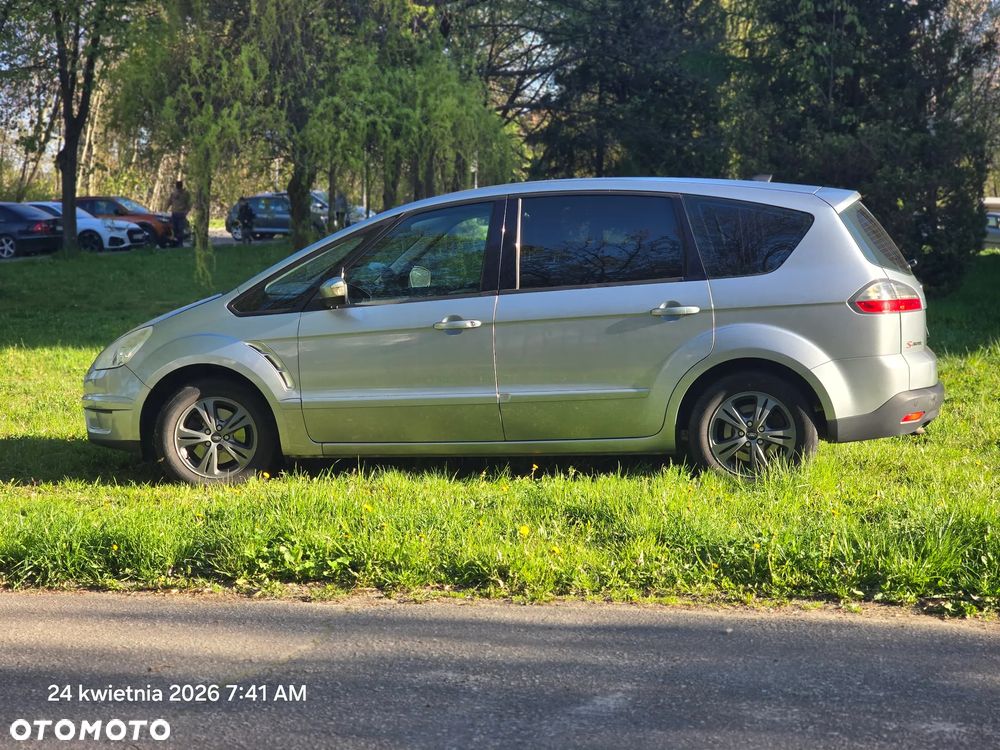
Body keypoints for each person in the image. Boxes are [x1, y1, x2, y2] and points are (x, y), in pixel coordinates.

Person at [166, 180, 191, 247]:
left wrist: (186, 211)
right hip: (174, 213)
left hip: (181, 214)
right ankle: (175, 242)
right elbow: (169, 202)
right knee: (174, 228)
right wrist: (165, 209)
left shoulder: (185, 194)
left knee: (180, 228)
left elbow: (189, 204)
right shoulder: (173, 193)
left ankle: (180, 243)